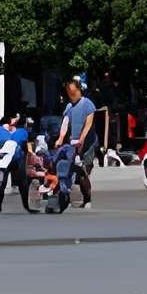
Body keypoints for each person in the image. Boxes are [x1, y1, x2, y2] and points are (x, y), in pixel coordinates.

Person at [53, 78, 97, 214]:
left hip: (88, 143)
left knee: (83, 172)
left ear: (79, 90)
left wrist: (82, 138)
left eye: (74, 92)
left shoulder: (87, 104)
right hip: (73, 144)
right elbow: (65, 123)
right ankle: (68, 198)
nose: (72, 95)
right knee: (71, 170)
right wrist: (60, 138)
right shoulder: (69, 107)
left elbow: (89, 123)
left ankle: (87, 199)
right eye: (69, 92)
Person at [0, 110, 30, 214]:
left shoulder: (20, 131)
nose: (18, 119)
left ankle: (26, 205)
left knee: (23, 183)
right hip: (4, 160)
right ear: (10, 120)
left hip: (18, 159)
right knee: (1, 183)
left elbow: (25, 145)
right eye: (16, 117)